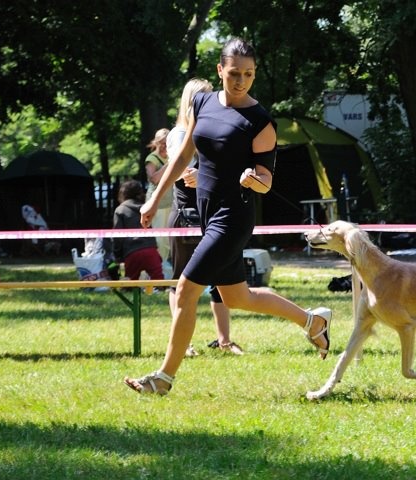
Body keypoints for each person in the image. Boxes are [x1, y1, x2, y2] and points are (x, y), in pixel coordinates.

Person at [125, 38, 331, 395]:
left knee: (187, 289)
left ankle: (163, 378)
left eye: (249, 74)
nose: (241, 81)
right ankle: (312, 321)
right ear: (220, 70)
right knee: (238, 298)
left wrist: (254, 179)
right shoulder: (202, 103)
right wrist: (153, 199)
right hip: (206, 216)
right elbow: (181, 156)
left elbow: (267, 181)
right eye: (234, 73)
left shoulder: (260, 121)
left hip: (232, 217)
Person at [166, 77, 243, 356]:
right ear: (191, 102)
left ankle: (224, 340)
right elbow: (184, 172)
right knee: (181, 281)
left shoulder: (213, 132)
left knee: (220, 278)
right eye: (203, 97)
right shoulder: (178, 134)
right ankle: (183, 344)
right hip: (186, 216)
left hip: (212, 215)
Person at [112, 180, 164, 281]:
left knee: (130, 283)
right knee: (159, 282)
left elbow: (117, 235)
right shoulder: (147, 208)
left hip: (132, 251)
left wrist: (117, 255)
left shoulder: (120, 210)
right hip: (151, 249)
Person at [145, 128, 172, 261]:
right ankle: (158, 272)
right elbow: (154, 178)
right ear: (156, 143)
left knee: (171, 240)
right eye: (162, 143)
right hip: (158, 205)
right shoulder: (152, 158)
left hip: (171, 203)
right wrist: (169, 164)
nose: (165, 146)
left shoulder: (171, 156)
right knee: (161, 240)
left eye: (167, 143)